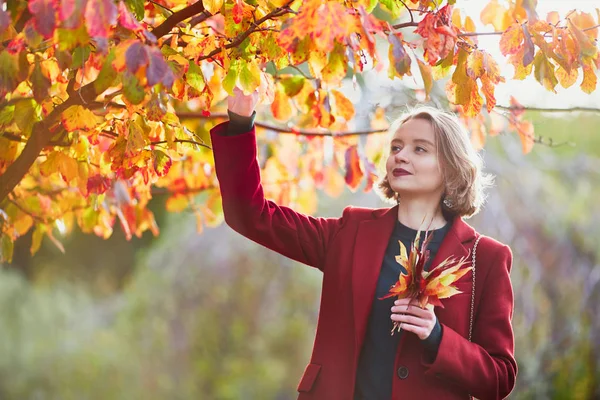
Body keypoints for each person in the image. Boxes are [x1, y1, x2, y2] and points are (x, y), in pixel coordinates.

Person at [210, 87, 517, 400]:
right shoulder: (350, 231)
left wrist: (436, 336)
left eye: (419, 149)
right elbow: (251, 215)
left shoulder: (486, 259)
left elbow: (499, 379)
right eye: (396, 147)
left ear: (451, 167)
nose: (401, 155)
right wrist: (240, 122)